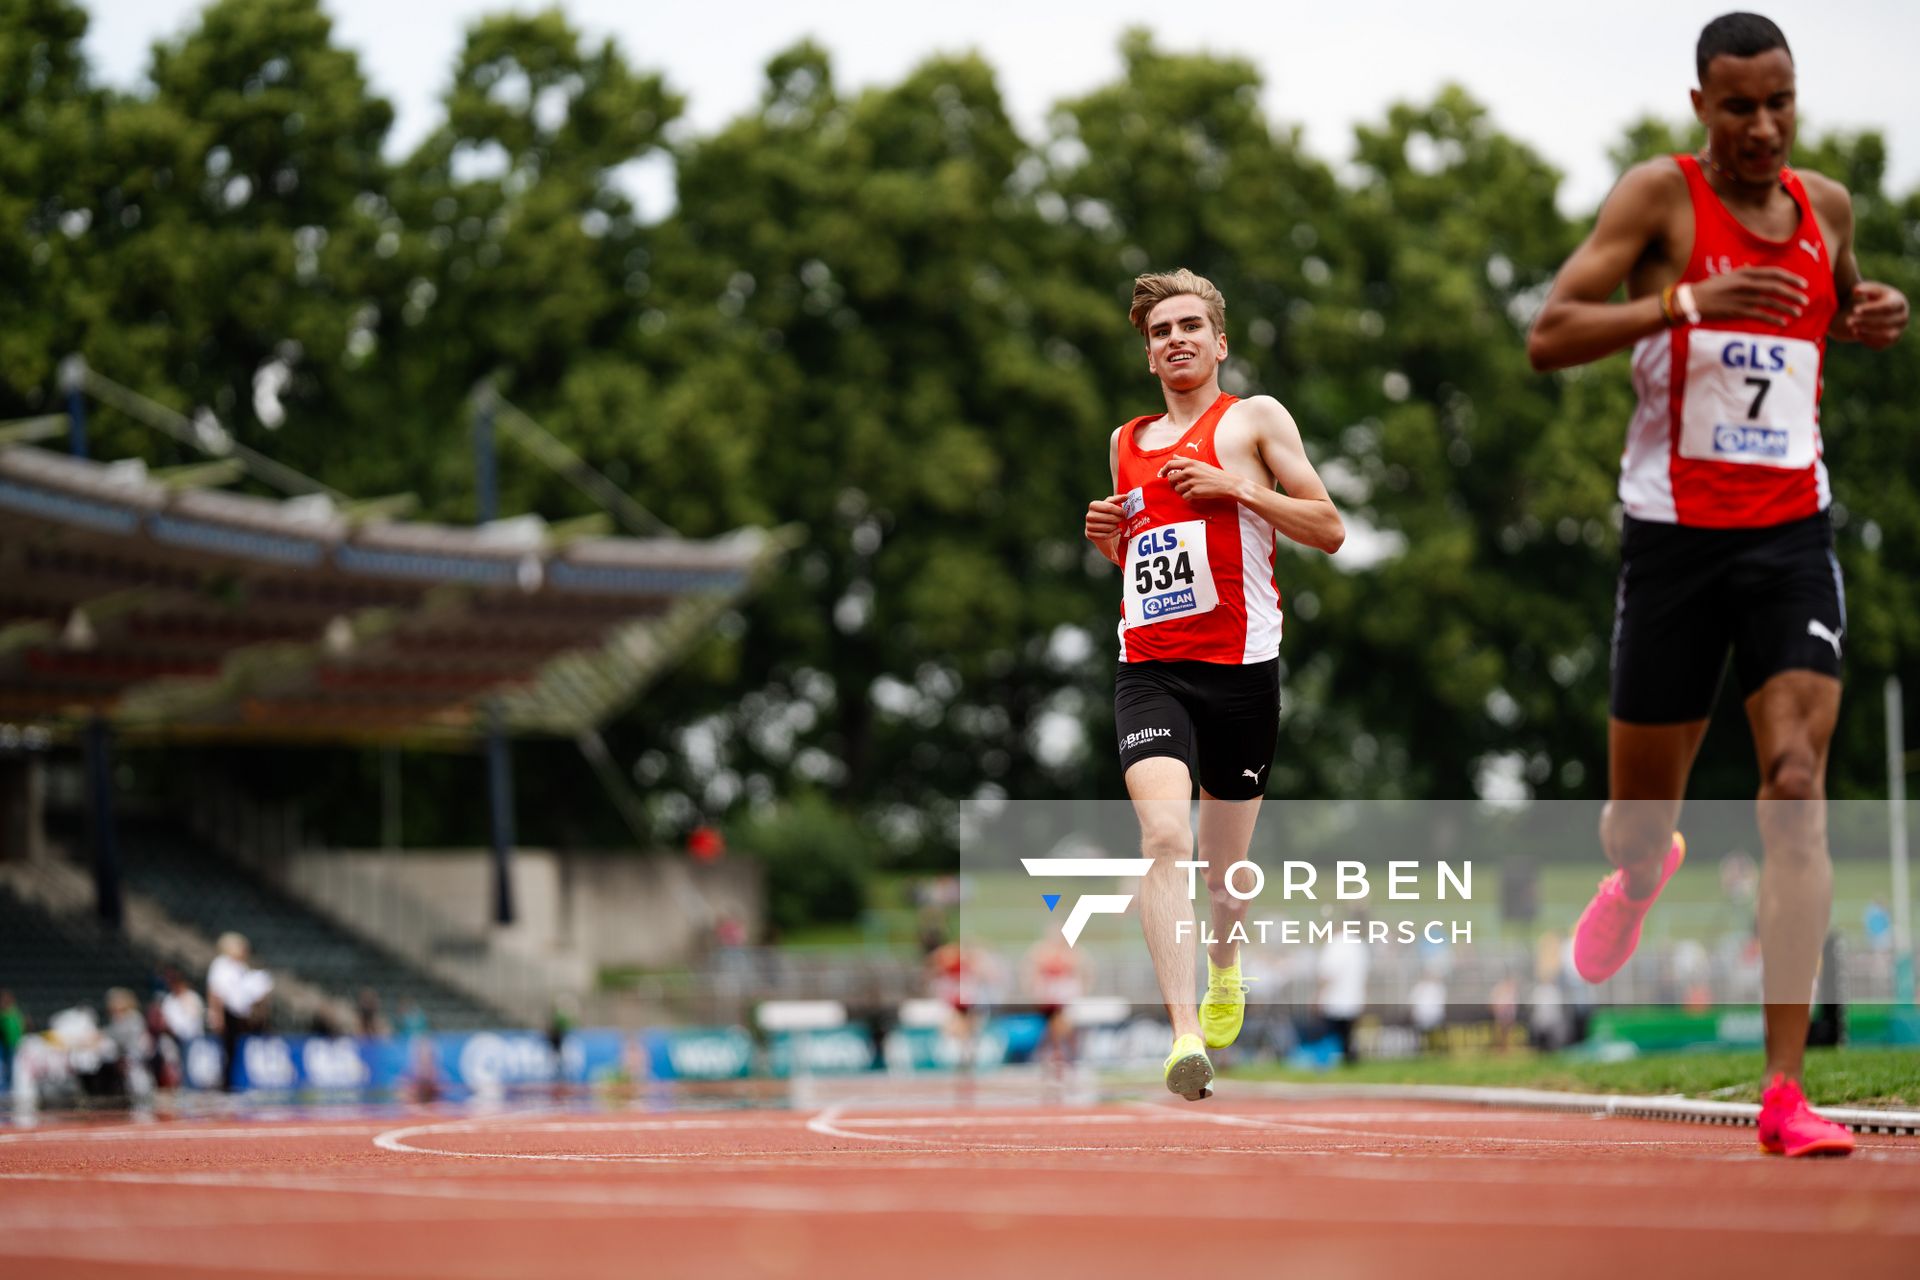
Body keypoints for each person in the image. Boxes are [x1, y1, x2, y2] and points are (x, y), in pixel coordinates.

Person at [1527, 12, 1908, 1157]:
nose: (1763, 126)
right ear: (1702, 106)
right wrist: (1682, 303)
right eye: (1739, 105)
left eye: (1781, 101)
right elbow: (1550, 333)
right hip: (1673, 540)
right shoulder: (1660, 199)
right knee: (1637, 824)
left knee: (1796, 785)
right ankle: (1644, 874)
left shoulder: (1825, 207)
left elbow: (1836, 303)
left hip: (1790, 534)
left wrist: (1870, 311)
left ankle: (1785, 1089)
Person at [1084, 268, 1345, 1099]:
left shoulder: (1255, 420)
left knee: (1226, 874)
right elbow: (1146, 565)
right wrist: (1107, 545)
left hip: (1241, 676)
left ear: (1220, 342)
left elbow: (1330, 529)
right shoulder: (1125, 442)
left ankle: (1226, 965)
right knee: (1165, 840)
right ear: (1148, 354)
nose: (1177, 340)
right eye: (1161, 332)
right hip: (1150, 672)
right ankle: (1183, 1035)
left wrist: (1237, 486)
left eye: (1191, 326)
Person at [206, 932, 272, 1093]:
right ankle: (225, 1083)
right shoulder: (221, 965)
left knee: (236, 1049)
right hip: (228, 1012)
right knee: (227, 1049)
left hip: (240, 1014)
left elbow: (246, 991)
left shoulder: (241, 967)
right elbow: (216, 992)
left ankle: (235, 1081)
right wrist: (217, 1015)